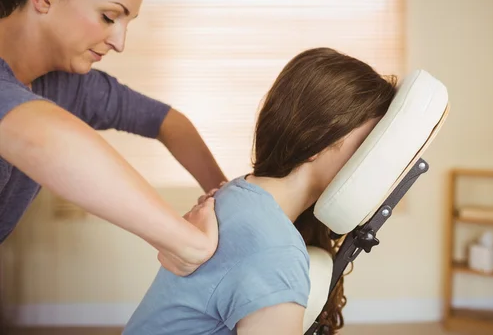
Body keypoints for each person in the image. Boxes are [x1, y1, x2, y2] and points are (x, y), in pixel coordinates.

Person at [123, 47, 397, 335]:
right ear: (318, 142)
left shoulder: (237, 193)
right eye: (367, 142)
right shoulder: (275, 250)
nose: (371, 159)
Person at [0, 0, 227, 281]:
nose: (119, 43)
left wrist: (222, 196)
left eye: (127, 23)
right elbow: (42, 137)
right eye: (109, 17)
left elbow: (168, 122)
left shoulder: (67, 85)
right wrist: (189, 243)